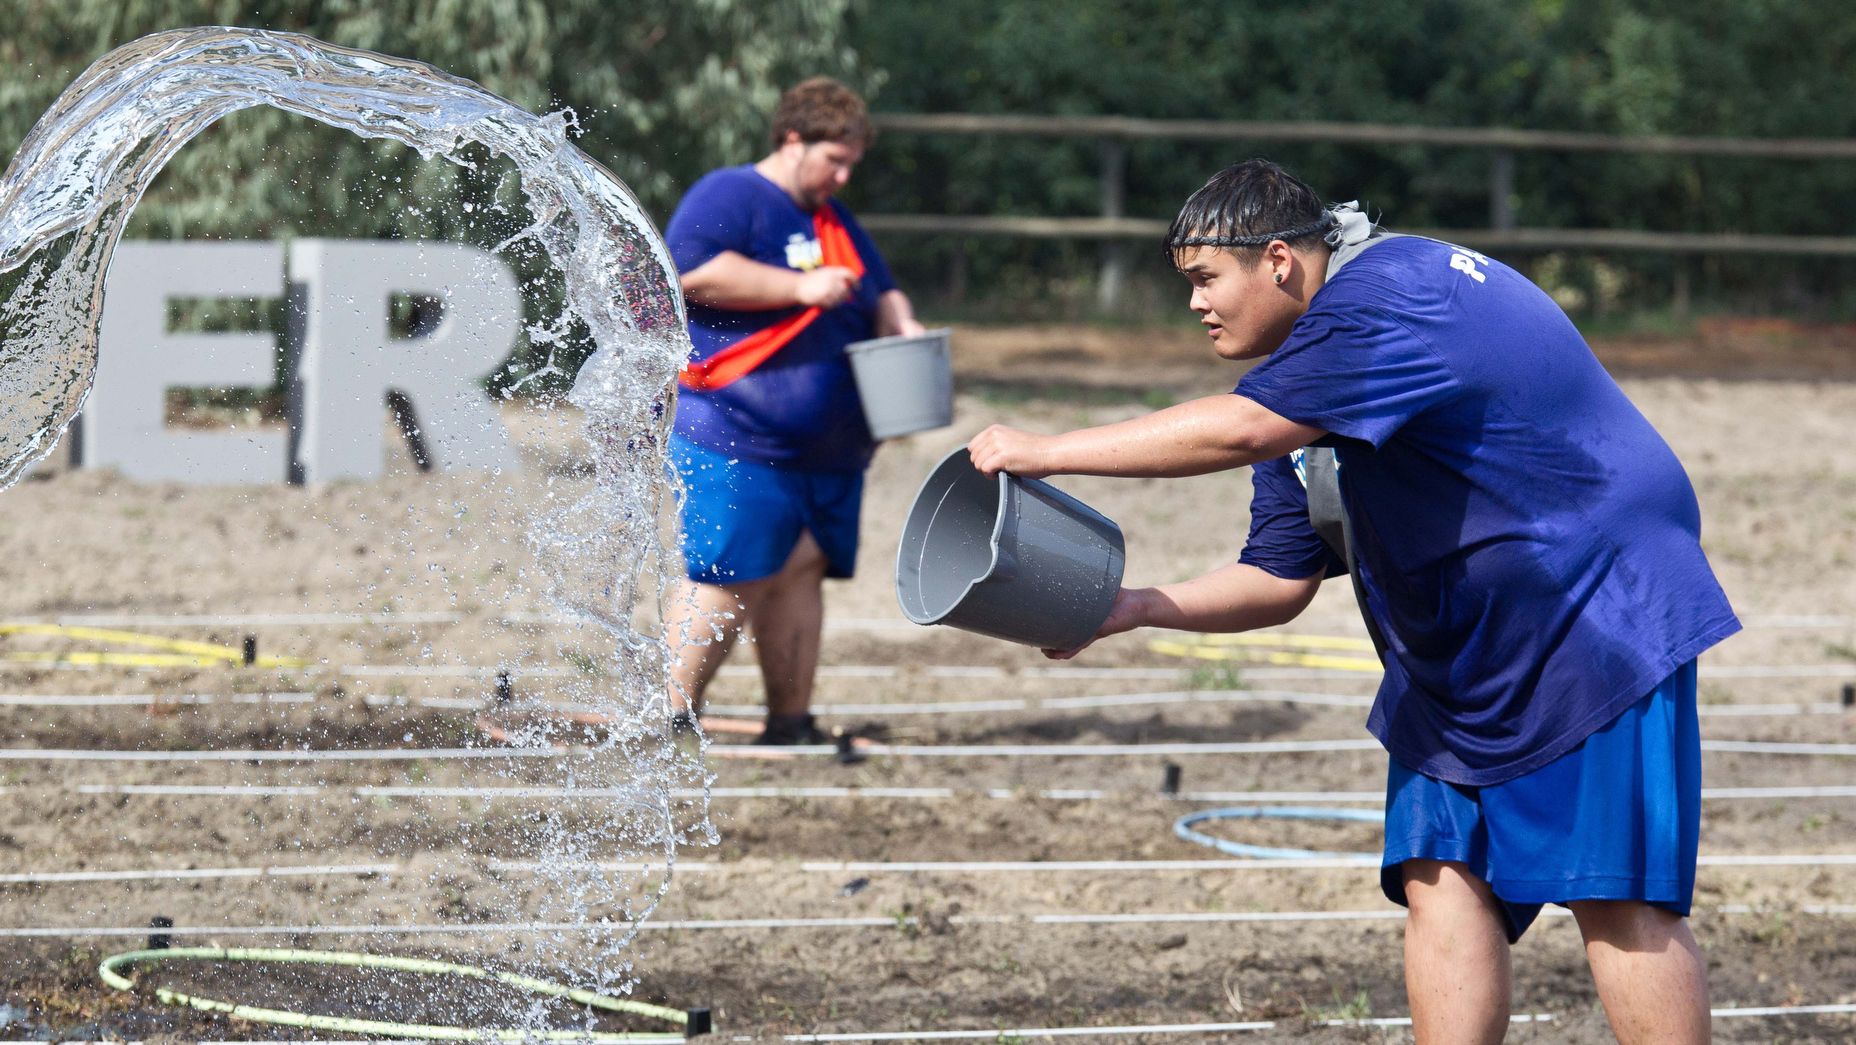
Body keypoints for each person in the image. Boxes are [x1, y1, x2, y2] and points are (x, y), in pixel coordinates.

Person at [967, 159, 1738, 1043]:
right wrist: (1134, 606)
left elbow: (1244, 427)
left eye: (1206, 278)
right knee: (1441, 874)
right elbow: (1280, 575)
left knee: (1615, 888)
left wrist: (1047, 449)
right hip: (1462, 647)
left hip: (1595, 608)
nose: (1195, 305)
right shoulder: (1305, 375)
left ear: (1281, 263)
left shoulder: (1392, 292)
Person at [661, 77, 924, 745]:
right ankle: (667, 718)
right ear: (791, 139)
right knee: (727, 575)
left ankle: (790, 719)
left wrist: (907, 331)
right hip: (736, 434)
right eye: (834, 159)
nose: (842, 174)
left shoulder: (835, 221)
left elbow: (883, 290)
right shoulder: (733, 193)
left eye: (851, 163)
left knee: (801, 570)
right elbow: (685, 272)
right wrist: (799, 286)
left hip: (828, 452)